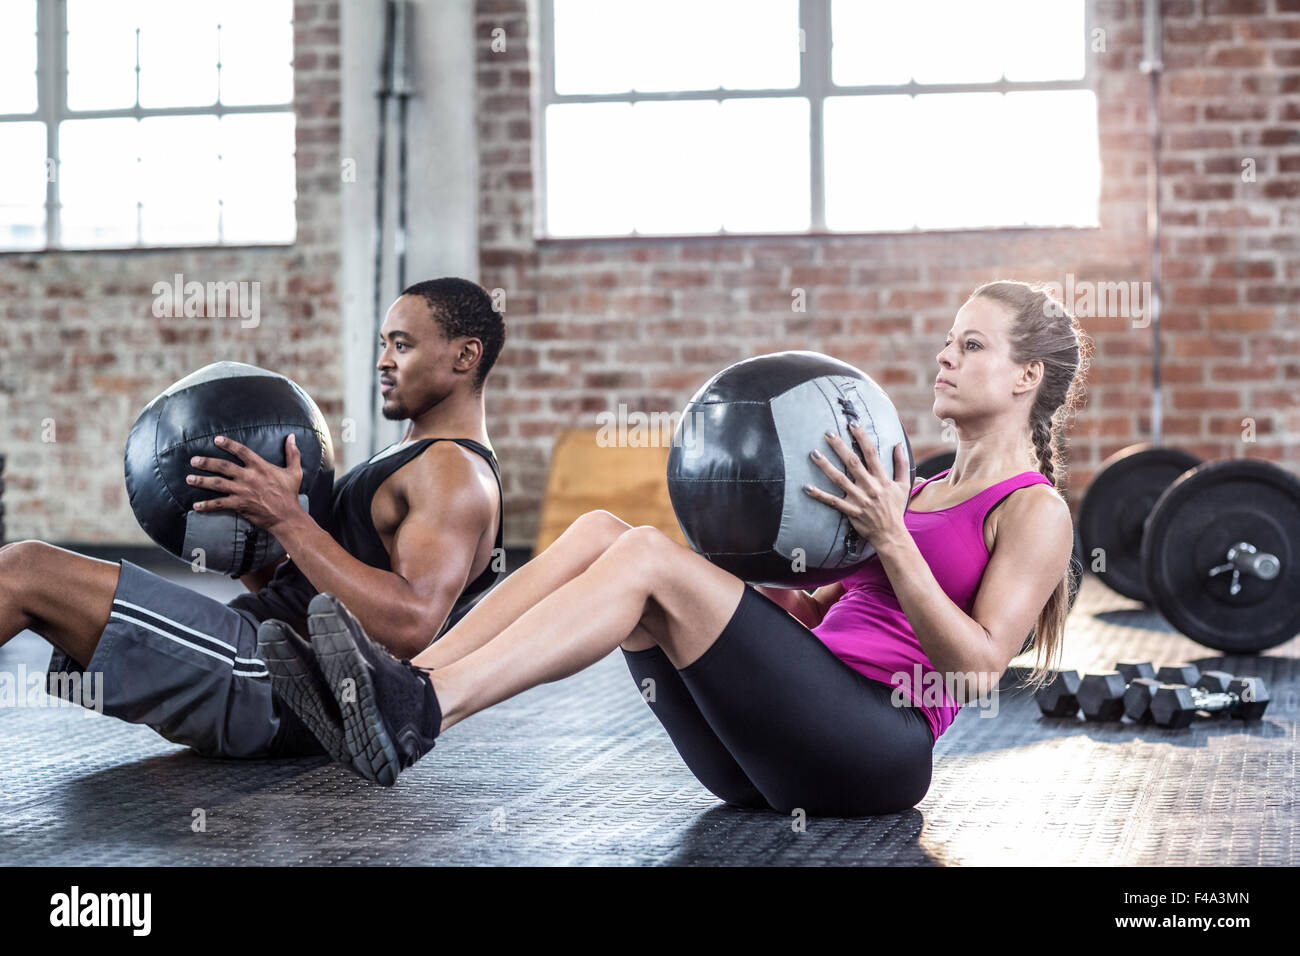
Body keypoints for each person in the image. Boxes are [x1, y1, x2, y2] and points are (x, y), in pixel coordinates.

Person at [267, 279, 1085, 816]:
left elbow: (976, 671)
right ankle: (408, 684)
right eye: (951, 337)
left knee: (647, 560)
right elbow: (807, 610)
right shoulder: (916, 483)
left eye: (972, 345)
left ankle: (420, 711)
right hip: (767, 754)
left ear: (1027, 378)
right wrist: (735, 561)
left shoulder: (1032, 510)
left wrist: (888, 538)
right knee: (601, 535)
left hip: (875, 750)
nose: (945, 354)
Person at [0, 277, 505, 762]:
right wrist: (247, 531)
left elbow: (410, 623)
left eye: (403, 345)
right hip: (261, 652)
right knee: (39, 586)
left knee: (25, 571)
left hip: (279, 685)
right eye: (384, 344)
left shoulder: (453, 470)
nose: (384, 362)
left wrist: (287, 518)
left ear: (466, 355)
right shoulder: (412, 456)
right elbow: (306, 591)